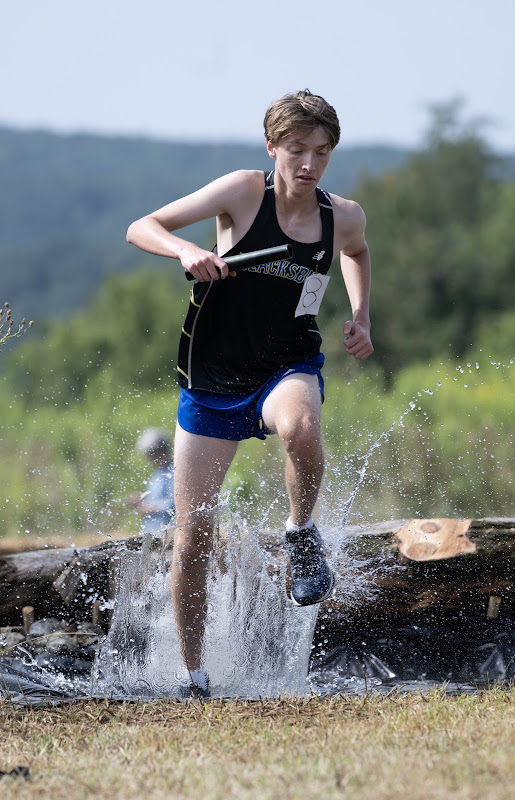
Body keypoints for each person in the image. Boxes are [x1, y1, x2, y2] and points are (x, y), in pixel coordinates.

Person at [127, 89, 374, 697]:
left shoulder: (342, 215)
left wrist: (362, 316)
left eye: (321, 152)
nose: (308, 164)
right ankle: (193, 674)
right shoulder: (243, 191)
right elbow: (141, 227)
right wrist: (187, 249)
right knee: (193, 537)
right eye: (296, 150)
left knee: (302, 429)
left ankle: (299, 533)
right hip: (212, 379)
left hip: (286, 364)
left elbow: (358, 252)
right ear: (272, 148)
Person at [129, 429, 175, 536]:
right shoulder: (158, 472)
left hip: (165, 532)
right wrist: (141, 500)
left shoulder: (172, 472)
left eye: (150, 455)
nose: (150, 459)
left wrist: (148, 507)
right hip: (153, 531)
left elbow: (175, 503)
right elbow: (159, 498)